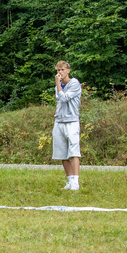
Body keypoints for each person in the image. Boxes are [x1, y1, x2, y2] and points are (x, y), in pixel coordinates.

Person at [53, 60, 82, 190]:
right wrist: (58, 86)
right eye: (58, 70)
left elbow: (64, 98)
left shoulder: (74, 83)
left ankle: (76, 181)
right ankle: (69, 180)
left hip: (72, 121)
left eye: (62, 70)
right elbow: (59, 98)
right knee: (62, 154)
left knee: (74, 151)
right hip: (59, 121)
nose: (60, 72)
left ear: (68, 71)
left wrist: (58, 84)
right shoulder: (57, 86)